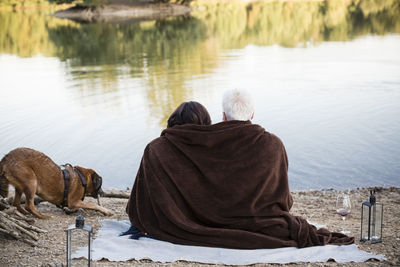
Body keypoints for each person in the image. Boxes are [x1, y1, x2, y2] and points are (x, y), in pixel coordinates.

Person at [126, 90, 354, 249]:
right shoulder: (273, 145)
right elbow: (283, 200)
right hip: (263, 223)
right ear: (252, 114)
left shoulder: (167, 148)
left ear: (222, 117)